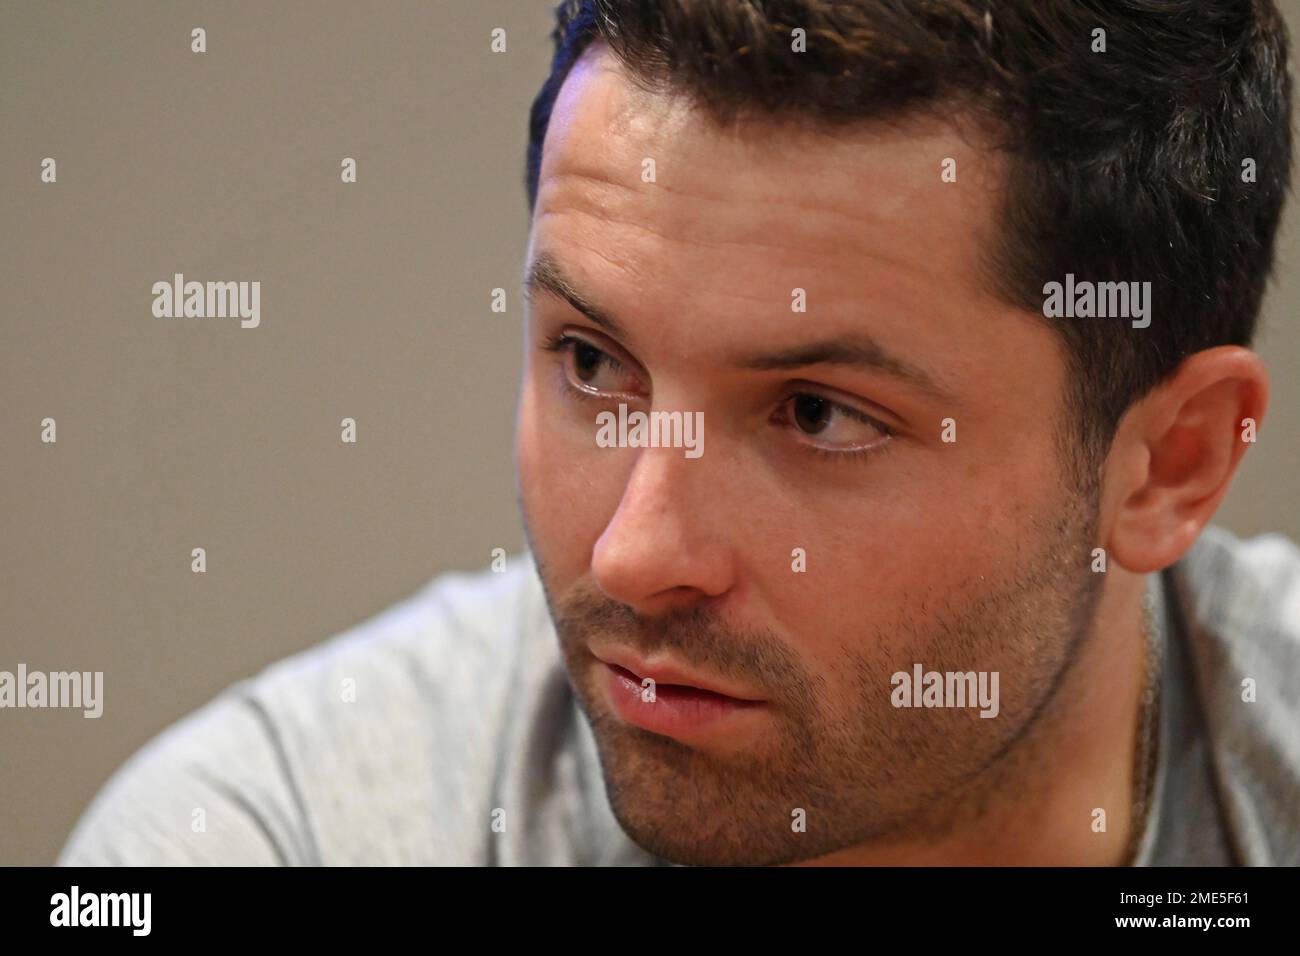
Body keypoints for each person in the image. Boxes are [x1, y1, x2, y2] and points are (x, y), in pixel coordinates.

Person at [61, 0, 1299, 866]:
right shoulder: (272, 837)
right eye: (591, 361)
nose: (634, 554)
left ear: (1167, 461)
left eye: (818, 414)